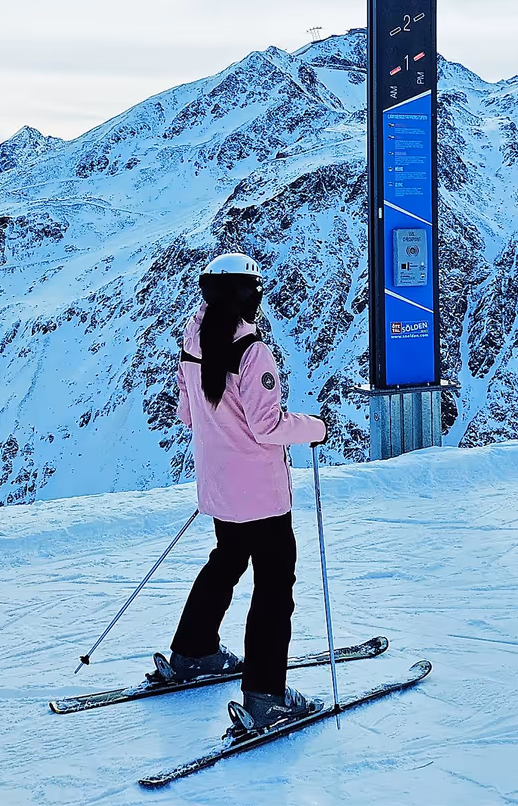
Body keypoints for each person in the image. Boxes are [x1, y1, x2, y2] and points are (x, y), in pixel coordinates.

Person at [153, 252, 329, 733]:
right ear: (247, 294)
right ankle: (266, 697)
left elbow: (188, 415)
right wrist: (314, 427)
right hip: (262, 496)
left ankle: (193, 652)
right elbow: (268, 427)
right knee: (274, 587)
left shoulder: (193, 341)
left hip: (219, 488)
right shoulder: (252, 352)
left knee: (227, 561)